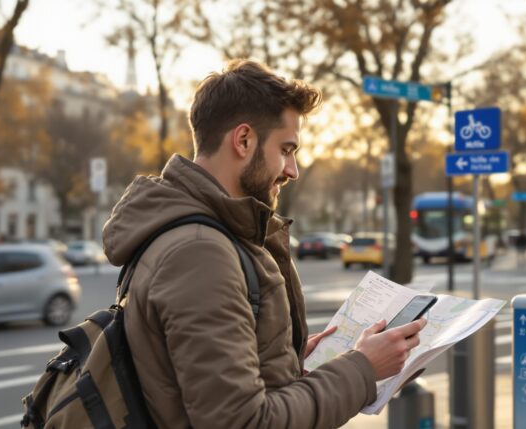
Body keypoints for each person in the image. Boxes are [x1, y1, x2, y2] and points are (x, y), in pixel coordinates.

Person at [102, 60, 426, 428]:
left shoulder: (197, 235)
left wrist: (282, 361)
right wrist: (362, 368)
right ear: (243, 140)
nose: (292, 170)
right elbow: (242, 422)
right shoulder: (200, 253)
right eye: (287, 149)